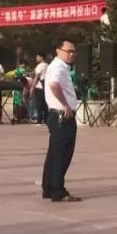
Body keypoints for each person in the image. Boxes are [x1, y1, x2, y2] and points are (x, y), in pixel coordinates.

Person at [41, 41, 81, 203]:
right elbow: (54, 84)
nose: (71, 54)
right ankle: (58, 191)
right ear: (58, 50)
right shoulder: (58, 67)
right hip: (62, 115)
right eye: (68, 51)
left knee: (54, 153)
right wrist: (65, 105)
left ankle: (49, 187)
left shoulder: (60, 66)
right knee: (62, 154)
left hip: (57, 115)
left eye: (73, 52)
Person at [32, 53, 48, 124]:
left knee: (39, 104)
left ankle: (39, 120)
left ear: (41, 57)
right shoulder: (47, 65)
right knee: (45, 104)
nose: (36, 58)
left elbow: (36, 77)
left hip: (39, 87)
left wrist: (32, 87)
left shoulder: (40, 66)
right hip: (46, 87)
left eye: (37, 57)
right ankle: (46, 119)